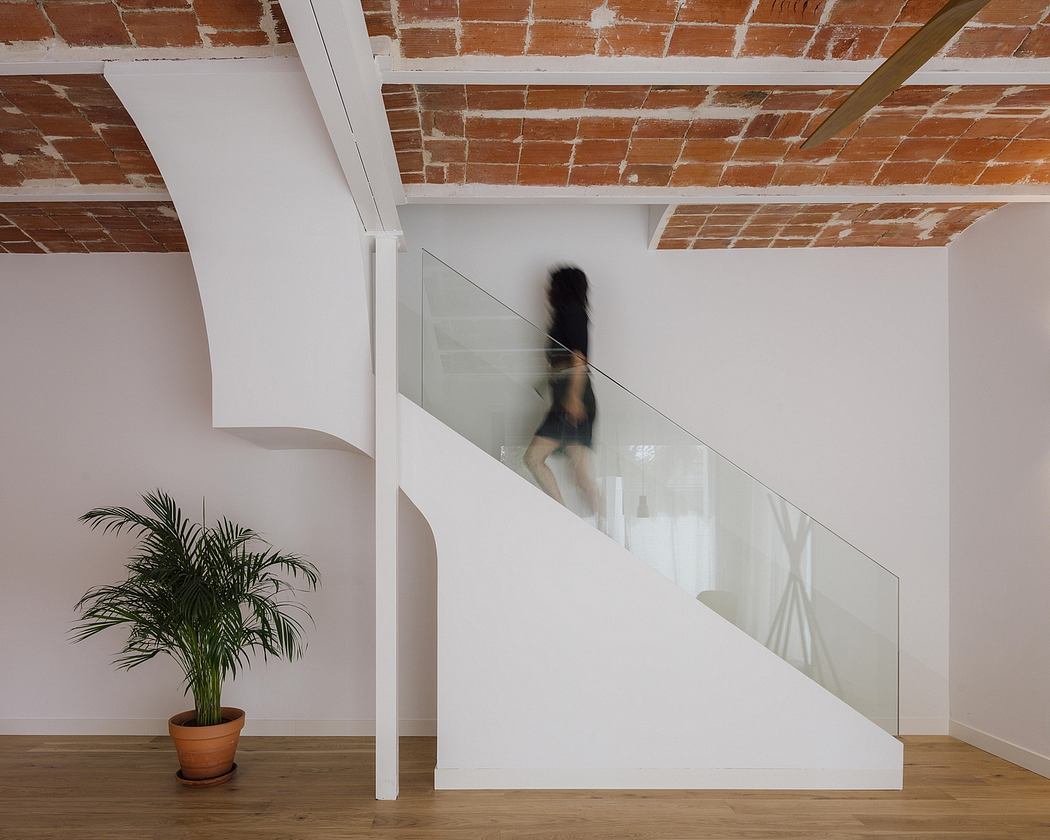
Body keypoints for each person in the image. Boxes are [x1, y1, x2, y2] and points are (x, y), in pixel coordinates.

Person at [524, 265, 600, 518]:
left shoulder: (572, 312)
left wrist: (573, 397)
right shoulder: (568, 314)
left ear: (561, 288)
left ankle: (566, 517)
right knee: (579, 471)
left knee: (535, 459)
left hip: (573, 396)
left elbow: (579, 359)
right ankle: (604, 526)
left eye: (551, 284)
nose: (547, 289)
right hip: (568, 395)